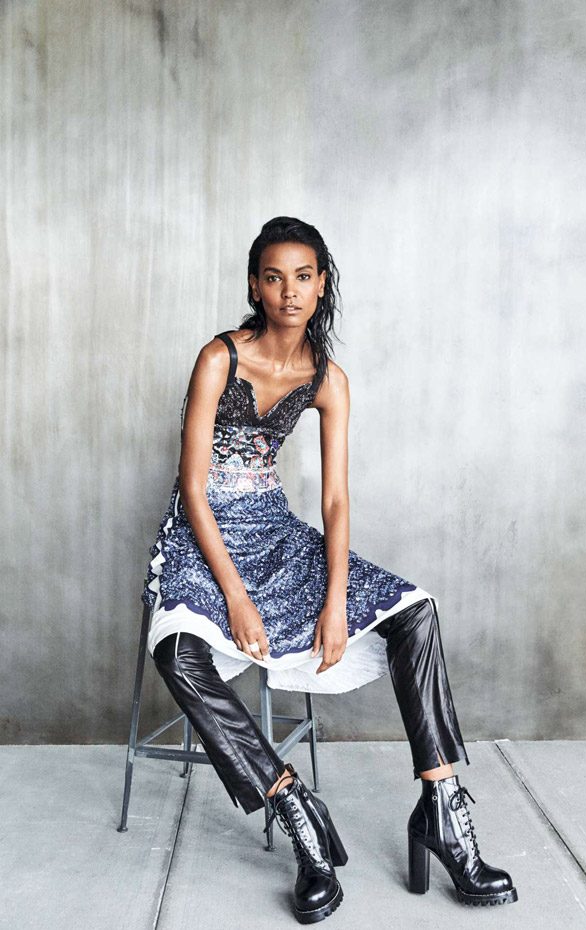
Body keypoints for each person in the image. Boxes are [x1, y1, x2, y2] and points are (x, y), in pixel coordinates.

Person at [141, 216, 518, 923]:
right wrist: (235, 597)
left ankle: (442, 806)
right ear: (255, 286)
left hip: (275, 533)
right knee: (177, 654)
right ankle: (293, 805)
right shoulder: (219, 357)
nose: (289, 291)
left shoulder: (329, 379)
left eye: (303, 276)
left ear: (321, 285)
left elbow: (337, 499)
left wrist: (336, 599)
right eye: (274, 277)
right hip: (204, 537)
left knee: (415, 611)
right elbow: (192, 487)